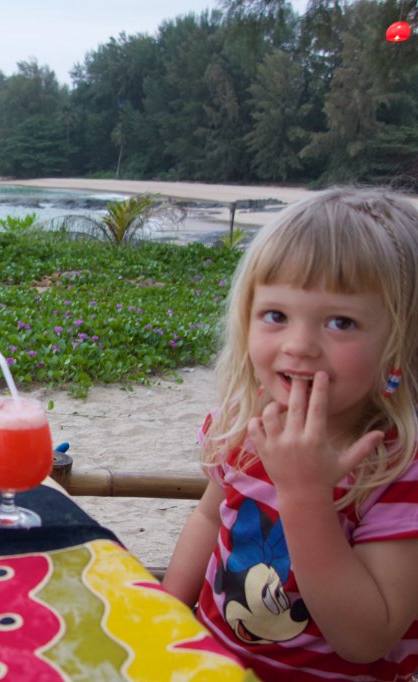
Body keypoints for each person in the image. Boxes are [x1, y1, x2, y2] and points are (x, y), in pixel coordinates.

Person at [162, 187, 418, 680]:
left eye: (341, 322)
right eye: (276, 316)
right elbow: (209, 516)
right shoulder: (246, 421)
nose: (299, 346)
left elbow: (365, 639)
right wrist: (168, 615)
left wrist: (305, 495)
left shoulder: (399, 466)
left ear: (401, 342)